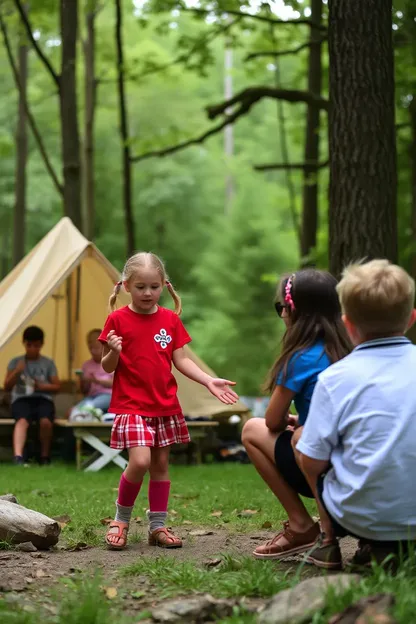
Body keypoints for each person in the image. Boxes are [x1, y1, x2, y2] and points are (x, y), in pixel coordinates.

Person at [99, 251, 238, 550]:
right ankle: (121, 519)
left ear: (164, 285)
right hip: (131, 405)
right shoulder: (117, 320)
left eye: (154, 286)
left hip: (164, 406)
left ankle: (157, 527)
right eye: (140, 287)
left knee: (161, 466)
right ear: (126, 286)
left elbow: (181, 361)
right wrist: (113, 351)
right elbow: (107, 366)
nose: (147, 293)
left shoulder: (169, 321)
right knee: (140, 460)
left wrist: (208, 380)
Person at [298, 260, 416, 570]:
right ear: (412, 319)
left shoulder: (336, 378)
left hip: (360, 519)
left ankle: (330, 537)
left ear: (348, 325)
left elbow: (312, 460)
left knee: (304, 443)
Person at [242, 269, 351, 560]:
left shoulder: (301, 358)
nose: (281, 314)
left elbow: (272, 421)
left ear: (294, 312)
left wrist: (293, 423)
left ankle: (302, 525)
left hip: (322, 470)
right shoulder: (352, 351)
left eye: (282, 308)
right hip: (359, 467)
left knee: (252, 430)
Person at [4, 326, 60, 465]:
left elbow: (57, 386)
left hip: (43, 398)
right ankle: (18, 456)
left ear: (41, 344)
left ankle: (44, 457)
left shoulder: (48, 363)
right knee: (22, 421)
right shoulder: (16, 361)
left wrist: (42, 386)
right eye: (29, 345)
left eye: (36, 345)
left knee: (45, 422)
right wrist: (17, 371)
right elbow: (6, 386)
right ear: (24, 343)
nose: (32, 349)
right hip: (21, 399)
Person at [69, 329, 113, 420]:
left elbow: (116, 383)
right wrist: (83, 381)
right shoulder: (86, 365)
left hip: (108, 396)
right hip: (91, 396)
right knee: (73, 411)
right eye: (90, 346)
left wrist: (96, 380)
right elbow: (84, 391)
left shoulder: (112, 360)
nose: (93, 350)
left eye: (96, 347)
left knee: (88, 408)